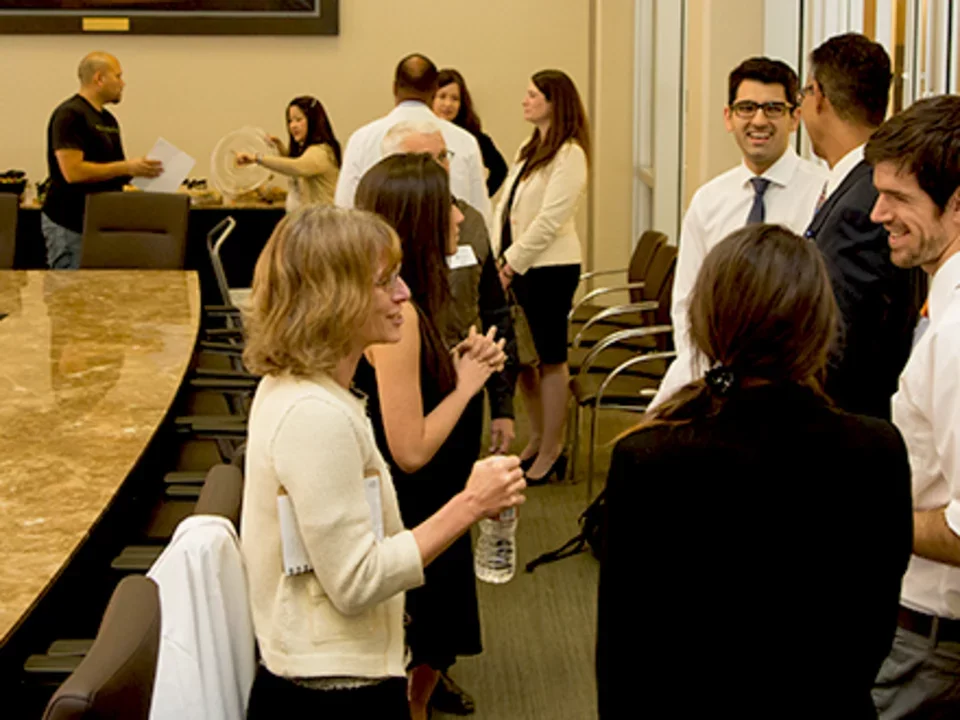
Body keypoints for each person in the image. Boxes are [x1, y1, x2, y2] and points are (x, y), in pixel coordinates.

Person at [597, 224, 912, 718]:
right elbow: (872, 634)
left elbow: (626, 658)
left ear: (707, 321)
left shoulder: (648, 459)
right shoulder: (877, 450)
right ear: (820, 324)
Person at [240, 205, 523, 718]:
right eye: (384, 282)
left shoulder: (310, 391)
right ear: (333, 299)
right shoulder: (314, 415)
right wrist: (471, 504)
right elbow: (357, 582)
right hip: (331, 691)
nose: (403, 294)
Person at [354, 154, 506, 720]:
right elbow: (411, 450)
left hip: (430, 500)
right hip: (418, 506)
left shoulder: (412, 301)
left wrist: (457, 366)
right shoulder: (402, 314)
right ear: (419, 219)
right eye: (447, 206)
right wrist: (466, 386)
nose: (460, 219)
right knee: (414, 662)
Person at [650, 56, 828, 408]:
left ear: (795, 118)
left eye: (773, 108)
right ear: (728, 117)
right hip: (714, 378)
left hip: (794, 389)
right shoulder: (709, 200)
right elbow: (686, 300)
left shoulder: (823, 194)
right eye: (747, 108)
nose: (759, 120)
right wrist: (707, 374)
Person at [866, 95, 960, 718]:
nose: (877, 214)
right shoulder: (940, 304)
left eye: (898, 197)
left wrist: (865, 508)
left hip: (931, 645)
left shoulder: (958, 333)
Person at [800, 33, 917, 420]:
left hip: (842, 424)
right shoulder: (857, 185)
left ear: (818, 96)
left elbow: (841, 348)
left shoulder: (863, 203)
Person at [492, 69, 589, 484]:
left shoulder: (570, 154)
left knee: (550, 359)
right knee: (524, 361)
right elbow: (506, 207)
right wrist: (499, 258)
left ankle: (553, 449)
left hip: (548, 268)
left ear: (555, 102)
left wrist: (511, 263)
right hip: (516, 264)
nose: (525, 101)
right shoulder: (528, 146)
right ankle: (536, 437)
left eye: (533, 95)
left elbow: (550, 220)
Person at [334, 53, 491, 227]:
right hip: (448, 248)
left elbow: (345, 211)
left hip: (380, 246)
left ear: (394, 88)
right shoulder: (464, 141)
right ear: (434, 90)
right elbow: (480, 215)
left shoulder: (361, 139)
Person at [41, 51, 162, 270]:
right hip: (70, 225)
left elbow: (113, 169)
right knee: (71, 296)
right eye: (118, 76)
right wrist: (126, 166)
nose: (123, 84)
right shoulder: (70, 115)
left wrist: (141, 169)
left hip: (100, 223)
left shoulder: (107, 119)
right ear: (99, 79)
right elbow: (72, 172)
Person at [236, 95, 340, 211]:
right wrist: (280, 147)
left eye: (298, 120)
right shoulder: (311, 151)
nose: (293, 126)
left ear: (313, 120)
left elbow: (297, 167)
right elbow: (295, 167)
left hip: (323, 223)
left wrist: (257, 158)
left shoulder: (321, 152)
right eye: (290, 121)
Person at [433, 68, 508, 196]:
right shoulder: (420, 133)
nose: (448, 104)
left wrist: (479, 198)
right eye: (442, 96)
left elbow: (500, 170)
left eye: (455, 99)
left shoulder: (473, 138)